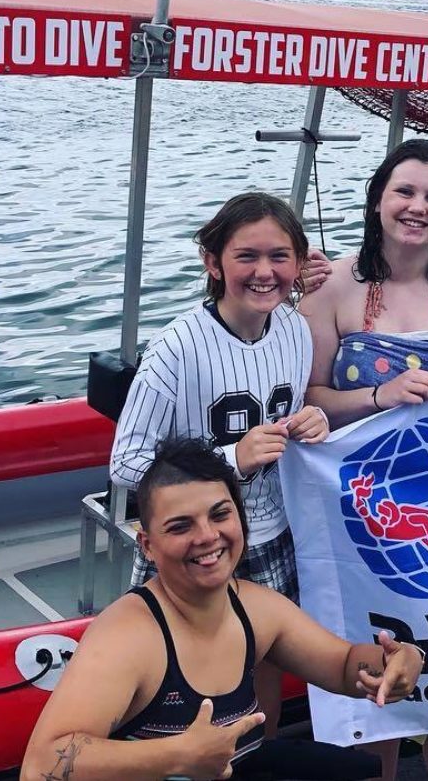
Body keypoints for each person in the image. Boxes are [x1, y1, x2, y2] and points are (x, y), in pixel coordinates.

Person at [22, 437, 423, 781]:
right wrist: (176, 755)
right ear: (147, 545)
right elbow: (40, 766)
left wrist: (398, 662)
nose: (208, 537)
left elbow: (343, 665)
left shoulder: (256, 607)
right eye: (181, 526)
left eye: (219, 515)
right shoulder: (128, 638)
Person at [299, 138, 428, 780]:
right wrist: (377, 396)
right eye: (404, 192)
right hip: (360, 522)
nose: (417, 207)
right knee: (373, 695)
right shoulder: (334, 284)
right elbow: (307, 399)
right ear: (378, 200)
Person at [109, 191, 331, 732]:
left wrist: (312, 423)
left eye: (280, 256)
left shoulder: (296, 331)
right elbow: (126, 463)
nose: (264, 272)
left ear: (298, 263)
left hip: (271, 534)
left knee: (264, 677)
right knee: (178, 680)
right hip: (195, 544)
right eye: (246, 256)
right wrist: (231, 459)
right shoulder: (176, 350)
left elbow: (293, 416)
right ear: (214, 263)